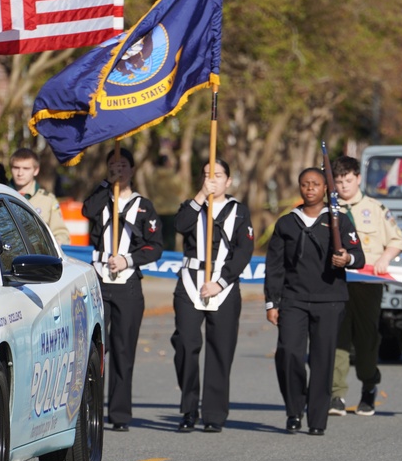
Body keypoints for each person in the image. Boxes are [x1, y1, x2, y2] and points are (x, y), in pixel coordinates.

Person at [264, 167, 364, 436]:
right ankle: (294, 410)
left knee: (322, 360)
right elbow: (274, 266)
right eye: (305, 184)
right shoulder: (287, 223)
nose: (310, 189)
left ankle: (317, 419)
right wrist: (272, 303)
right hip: (293, 299)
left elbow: (359, 256)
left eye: (315, 184)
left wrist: (346, 259)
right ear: (299, 188)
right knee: (289, 354)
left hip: (329, 300)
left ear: (325, 189)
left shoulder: (339, 220)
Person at [82, 147, 164, 431]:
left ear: (132, 170)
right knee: (96, 349)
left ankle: (119, 415)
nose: (118, 170)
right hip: (100, 282)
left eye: (123, 166)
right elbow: (87, 210)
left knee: (123, 350)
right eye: (113, 166)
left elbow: (156, 247)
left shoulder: (144, 206)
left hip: (128, 283)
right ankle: (90, 409)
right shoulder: (102, 199)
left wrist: (127, 258)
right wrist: (107, 184)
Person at [171, 159, 254, 433]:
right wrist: (198, 197)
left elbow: (244, 252)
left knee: (220, 350)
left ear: (228, 180)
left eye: (218, 175)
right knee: (185, 343)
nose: (212, 180)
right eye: (207, 175)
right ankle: (188, 408)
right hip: (190, 281)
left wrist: (220, 282)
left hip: (224, 285)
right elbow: (180, 226)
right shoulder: (192, 206)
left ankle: (214, 414)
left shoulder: (239, 212)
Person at [330, 155, 402, 417]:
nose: (343, 187)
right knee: (337, 338)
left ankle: (368, 386)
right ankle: (336, 394)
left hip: (367, 283)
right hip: (336, 283)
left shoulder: (375, 208)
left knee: (366, 339)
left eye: (348, 180)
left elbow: (396, 239)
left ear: (358, 179)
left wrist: (385, 258)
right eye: (338, 182)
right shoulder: (329, 210)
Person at [8, 148, 70, 248]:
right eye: (16, 167)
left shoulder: (47, 200)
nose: (20, 173)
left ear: (36, 170)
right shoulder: (1, 193)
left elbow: (61, 233)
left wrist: (57, 241)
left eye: (26, 168)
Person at [145, 154, 186, 252]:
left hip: (158, 210)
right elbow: (180, 189)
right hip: (172, 210)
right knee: (171, 237)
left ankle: (158, 255)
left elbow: (150, 190)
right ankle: (170, 256)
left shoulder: (153, 176)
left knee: (159, 235)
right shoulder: (172, 175)